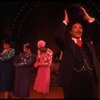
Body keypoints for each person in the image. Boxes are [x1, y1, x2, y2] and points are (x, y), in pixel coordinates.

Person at [55, 4, 100, 98]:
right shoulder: (66, 44)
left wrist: (89, 18)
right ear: (70, 32)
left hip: (90, 80)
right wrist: (65, 21)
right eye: (75, 27)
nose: (78, 29)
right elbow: (58, 36)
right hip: (73, 81)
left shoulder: (88, 43)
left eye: (80, 28)